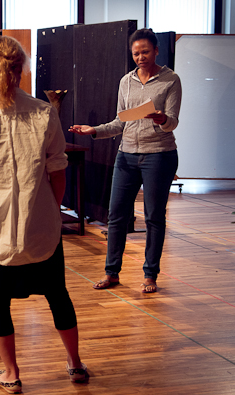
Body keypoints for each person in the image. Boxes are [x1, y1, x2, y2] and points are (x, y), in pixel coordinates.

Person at [0, 36, 88, 394]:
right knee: (58, 295)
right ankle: (75, 364)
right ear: (21, 70)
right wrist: (48, 209)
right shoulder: (45, 113)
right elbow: (58, 173)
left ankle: (11, 372)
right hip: (41, 226)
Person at [69, 28, 182, 293]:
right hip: (126, 155)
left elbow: (173, 121)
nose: (141, 57)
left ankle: (150, 274)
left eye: (145, 51)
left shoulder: (171, 80)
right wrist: (93, 130)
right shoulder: (126, 81)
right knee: (117, 215)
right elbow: (120, 122)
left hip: (159, 156)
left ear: (156, 50)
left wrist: (161, 119)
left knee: (154, 217)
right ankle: (112, 273)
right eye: (136, 53)